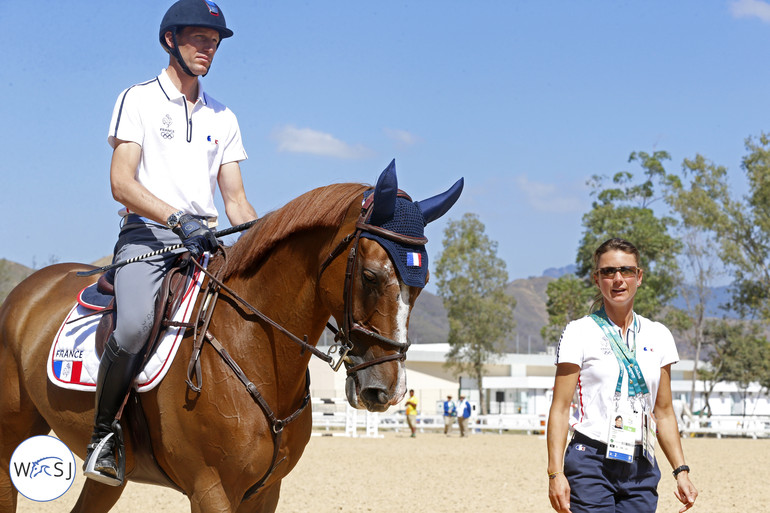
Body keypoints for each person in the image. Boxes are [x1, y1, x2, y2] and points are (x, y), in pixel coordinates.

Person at [83, 0, 257, 486]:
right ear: (170, 40)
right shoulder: (137, 99)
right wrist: (177, 218)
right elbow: (122, 183)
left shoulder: (224, 117)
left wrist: (265, 239)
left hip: (205, 242)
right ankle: (104, 435)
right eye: (200, 39)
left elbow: (237, 203)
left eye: (215, 42)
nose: (209, 49)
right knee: (136, 324)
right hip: (149, 237)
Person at [546, 238, 698, 513]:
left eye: (626, 271)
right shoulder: (577, 332)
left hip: (641, 464)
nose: (618, 279)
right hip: (590, 461)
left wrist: (681, 470)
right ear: (596, 279)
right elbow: (559, 409)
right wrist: (555, 473)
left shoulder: (659, 335)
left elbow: (663, 412)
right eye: (608, 272)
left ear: (638, 277)